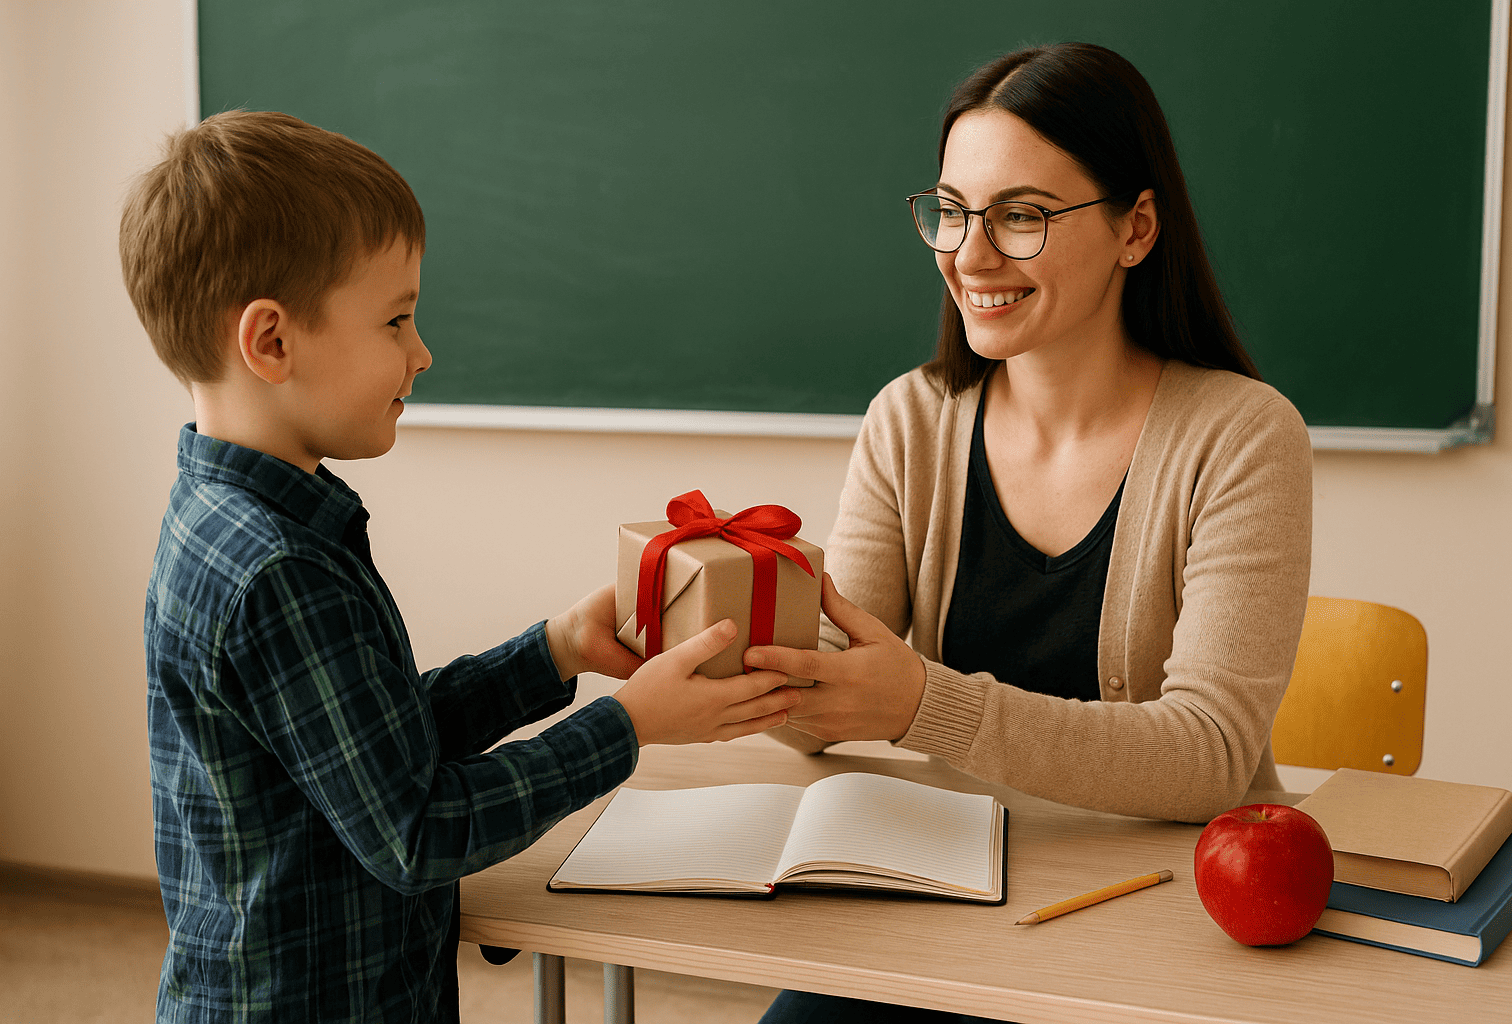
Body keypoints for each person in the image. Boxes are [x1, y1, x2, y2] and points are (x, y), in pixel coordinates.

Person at [120, 110, 800, 1023]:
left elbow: (371, 748)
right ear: (272, 342)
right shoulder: (277, 568)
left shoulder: (228, 516)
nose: (422, 352)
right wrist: (627, 727)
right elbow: (415, 829)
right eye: (396, 320)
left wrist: (554, 652)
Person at [745, 42, 1312, 1023]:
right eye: (953, 211)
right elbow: (829, 708)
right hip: (948, 892)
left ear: (1137, 229)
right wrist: (755, 652)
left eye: (1020, 216)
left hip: (1163, 911)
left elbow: (1213, 753)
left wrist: (922, 702)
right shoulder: (910, 420)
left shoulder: (1244, 434)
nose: (969, 254)